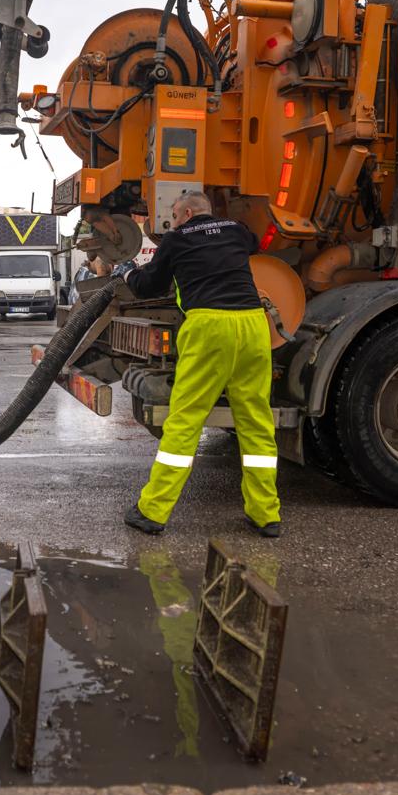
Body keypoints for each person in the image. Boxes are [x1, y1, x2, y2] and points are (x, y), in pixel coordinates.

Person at [118, 191, 281, 538]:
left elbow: (149, 286)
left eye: (175, 216)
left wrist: (128, 272)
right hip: (253, 325)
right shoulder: (236, 230)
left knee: (185, 420)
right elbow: (255, 242)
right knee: (256, 421)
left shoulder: (177, 239)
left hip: (209, 328)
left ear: (188, 213)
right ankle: (266, 514)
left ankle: (153, 511)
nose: (173, 222)